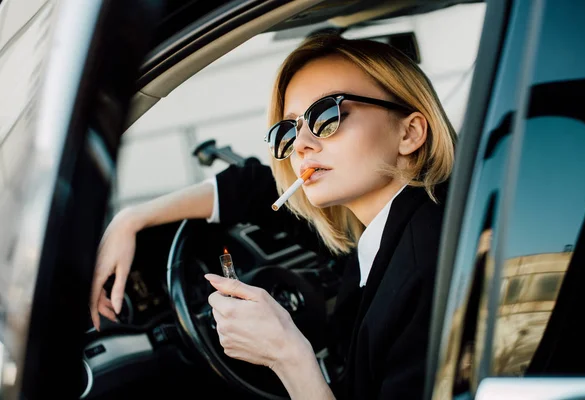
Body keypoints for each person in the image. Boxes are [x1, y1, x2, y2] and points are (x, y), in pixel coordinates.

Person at [90, 33, 456, 399]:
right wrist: (132, 219)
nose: (301, 145)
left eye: (326, 116)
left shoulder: (428, 267)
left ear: (410, 133)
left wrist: (286, 355)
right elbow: (257, 189)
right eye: (288, 130)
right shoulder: (392, 227)